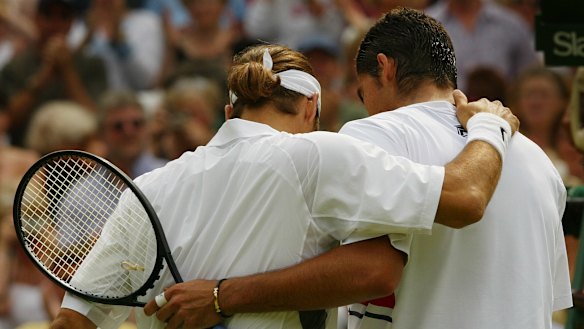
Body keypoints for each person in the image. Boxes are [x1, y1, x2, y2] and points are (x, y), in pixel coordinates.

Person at [126, 8, 568, 329]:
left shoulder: (373, 137)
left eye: (362, 93)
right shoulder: (537, 161)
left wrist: (222, 296)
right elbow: (547, 306)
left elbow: (371, 272)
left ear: (384, 68)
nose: (365, 108)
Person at [49, 43, 517, 329]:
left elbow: (72, 323)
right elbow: (465, 197)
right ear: (312, 105)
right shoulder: (318, 154)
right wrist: (489, 128)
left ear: (230, 112)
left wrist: (218, 297)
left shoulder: (147, 189)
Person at [0, 0, 107, 147]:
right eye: (48, 15)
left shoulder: (91, 64)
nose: (55, 24)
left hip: (80, 158)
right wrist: (44, 75)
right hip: (28, 156)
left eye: (64, 16)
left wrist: (67, 70)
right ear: (36, 18)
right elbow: (9, 120)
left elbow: (95, 117)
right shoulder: (16, 66)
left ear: (72, 22)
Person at [425, 0, 540, 91]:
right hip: (443, 115)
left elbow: (529, 76)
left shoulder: (511, 24)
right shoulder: (424, 25)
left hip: (500, 113)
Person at [98, 89, 168, 178]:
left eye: (136, 124)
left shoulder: (169, 174)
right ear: (101, 133)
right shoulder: (82, 190)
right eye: (118, 126)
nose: (128, 132)